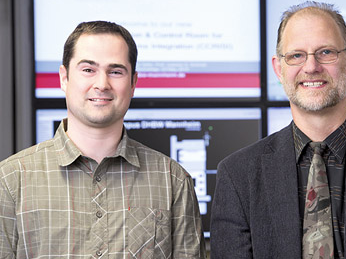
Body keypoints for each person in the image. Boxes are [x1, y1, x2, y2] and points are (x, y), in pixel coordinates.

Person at [210, 1, 346, 258]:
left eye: (325, 52)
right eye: (296, 55)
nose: (311, 67)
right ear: (279, 70)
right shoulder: (238, 175)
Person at [0, 21, 206, 258]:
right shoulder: (10, 182)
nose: (101, 84)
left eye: (115, 71)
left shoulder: (172, 181)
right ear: (64, 78)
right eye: (88, 69)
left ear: (133, 84)